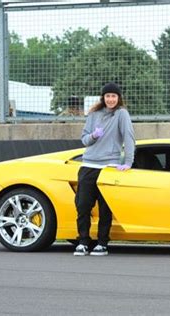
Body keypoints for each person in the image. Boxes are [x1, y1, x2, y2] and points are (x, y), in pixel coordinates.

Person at [73, 82, 135, 256]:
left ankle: (102, 243)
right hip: (88, 164)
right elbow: (84, 139)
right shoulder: (93, 115)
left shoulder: (121, 114)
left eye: (113, 96)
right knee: (83, 205)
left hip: (109, 166)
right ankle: (83, 241)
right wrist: (93, 136)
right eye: (107, 96)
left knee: (105, 208)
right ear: (103, 98)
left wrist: (128, 162)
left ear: (118, 98)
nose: (110, 99)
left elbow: (129, 138)